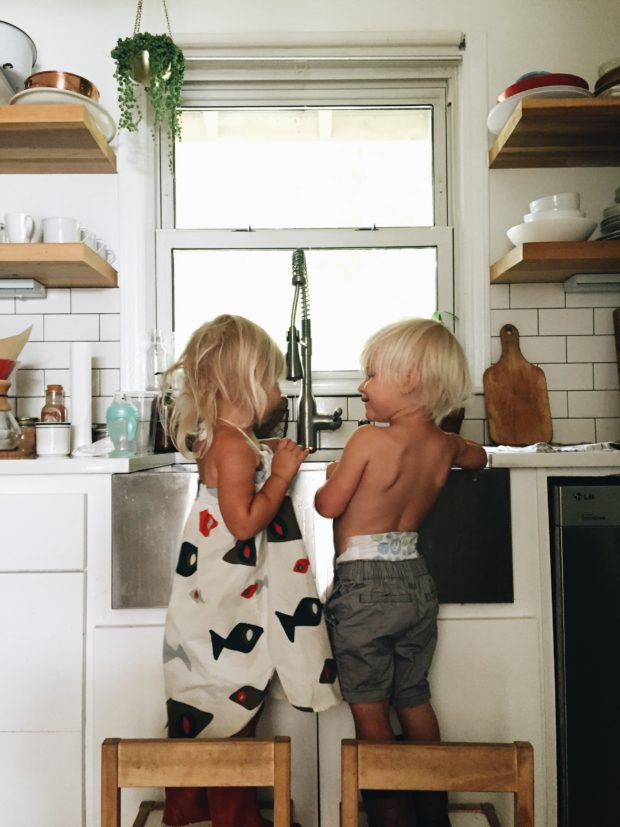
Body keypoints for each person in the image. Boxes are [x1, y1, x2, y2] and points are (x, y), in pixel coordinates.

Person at [162, 314, 340, 827]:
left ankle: (189, 803)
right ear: (244, 381)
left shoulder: (223, 438)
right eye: (271, 379)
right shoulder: (234, 444)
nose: (279, 393)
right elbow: (243, 524)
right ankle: (234, 816)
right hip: (227, 598)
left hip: (220, 592)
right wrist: (281, 474)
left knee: (214, 696)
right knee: (233, 704)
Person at [315, 318, 487, 827]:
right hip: (415, 582)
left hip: (364, 587)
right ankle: (434, 814)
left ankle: (391, 819)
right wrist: (455, 449)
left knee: (370, 708)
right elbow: (478, 458)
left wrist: (332, 474)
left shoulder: (368, 441)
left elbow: (328, 506)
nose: (362, 386)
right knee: (413, 697)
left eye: (370, 375)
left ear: (409, 378)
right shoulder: (445, 446)